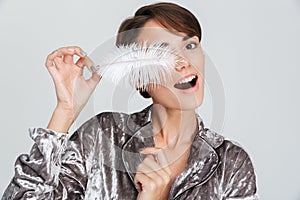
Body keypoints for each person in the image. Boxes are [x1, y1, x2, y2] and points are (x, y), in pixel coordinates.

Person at [2, 2, 258, 200]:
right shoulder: (101, 137)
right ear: (138, 78)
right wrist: (66, 110)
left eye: (189, 46)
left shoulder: (231, 163)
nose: (184, 62)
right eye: (161, 53)